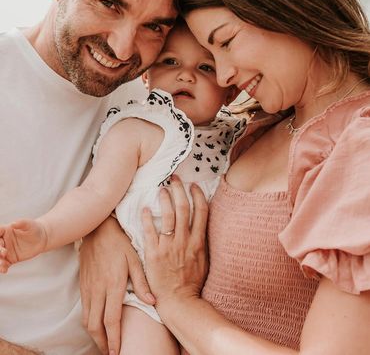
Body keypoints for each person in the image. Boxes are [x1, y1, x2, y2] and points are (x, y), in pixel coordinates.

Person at [136, 0, 370, 355]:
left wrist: (179, 304)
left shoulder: (358, 148)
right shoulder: (260, 124)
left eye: (225, 41)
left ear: (287, 2)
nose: (222, 75)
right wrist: (102, 238)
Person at [0, 0, 193, 353]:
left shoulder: (148, 99)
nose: (124, 48)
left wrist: (103, 223)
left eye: (154, 26)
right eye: (109, 3)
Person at [0, 20, 244, 355]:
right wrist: (44, 233)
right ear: (146, 76)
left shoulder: (238, 135)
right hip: (146, 293)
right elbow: (94, 194)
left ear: (230, 88)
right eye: (170, 62)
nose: (186, 75)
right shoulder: (139, 128)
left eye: (204, 67)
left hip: (216, 290)